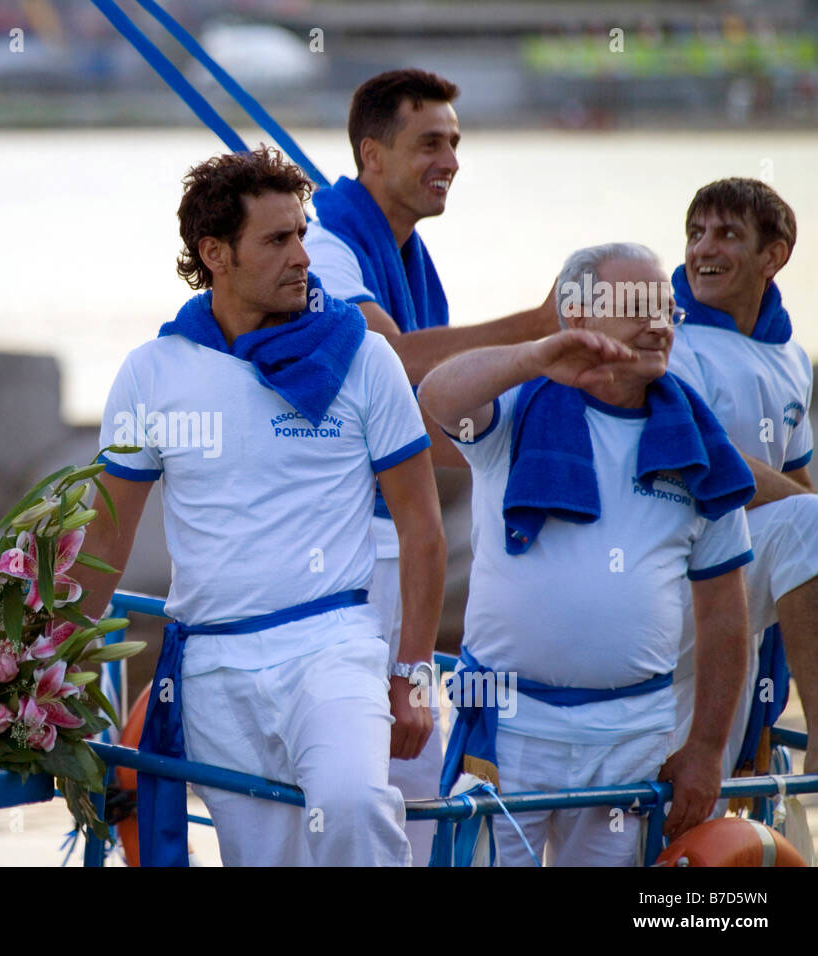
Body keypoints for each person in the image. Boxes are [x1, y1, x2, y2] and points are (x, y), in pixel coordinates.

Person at [72, 147, 446, 866]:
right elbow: (105, 537)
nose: (303, 255)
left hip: (334, 647)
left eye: (303, 233)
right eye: (278, 239)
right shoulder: (154, 372)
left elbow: (423, 530)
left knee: (354, 806)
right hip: (213, 665)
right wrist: (48, 674)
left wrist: (412, 675)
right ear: (215, 253)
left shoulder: (366, 358)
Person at [417, 242, 755, 866]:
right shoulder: (518, 410)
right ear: (577, 315)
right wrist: (537, 354)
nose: (657, 322)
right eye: (635, 305)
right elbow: (437, 397)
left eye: (665, 306)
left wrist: (706, 748)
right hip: (506, 732)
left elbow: (724, 611)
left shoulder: (696, 443)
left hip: (633, 739)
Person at [302, 67, 559, 859]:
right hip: (343, 560)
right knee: (388, 777)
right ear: (371, 155)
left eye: (454, 141)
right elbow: (392, 357)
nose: (448, 158)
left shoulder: (412, 259)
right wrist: (543, 327)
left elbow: (425, 413)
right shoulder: (324, 245)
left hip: (390, 550)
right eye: (429, 143)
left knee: (416, 780)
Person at [666, 178, 818, 777]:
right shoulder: (670, 336)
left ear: (773, 256)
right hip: (670, 573)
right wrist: (808, 514)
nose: (704, 248)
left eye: (728, 233)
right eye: (696, 233)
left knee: (708, 795)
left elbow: (796, 476)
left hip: (738, 586)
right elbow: (706, 460)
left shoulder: (793, 357)